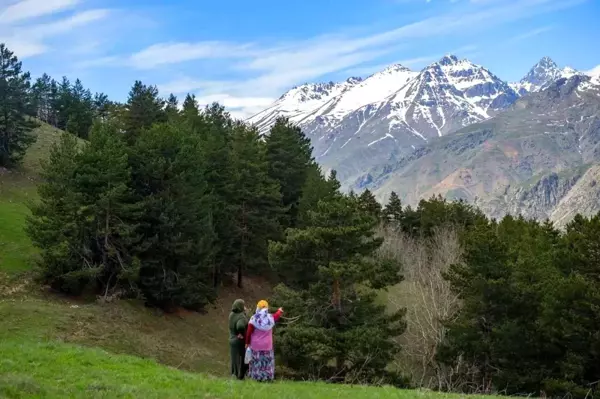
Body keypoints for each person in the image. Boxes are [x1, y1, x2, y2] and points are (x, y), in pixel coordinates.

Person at [245, 300, 283, 382]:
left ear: (258, 308)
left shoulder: (253, 319)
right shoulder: (270, 318)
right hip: (267, 346)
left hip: (256, 346)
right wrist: (280, 310)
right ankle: (268, 378)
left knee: (256, 362)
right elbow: (277, 315)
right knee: (267, 362)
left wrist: (247, 343)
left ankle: (256, 377)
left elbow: (248, 333)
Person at [228, 298, 248, 380]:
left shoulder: (231, 314)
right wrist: (242, 334)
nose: (245, 307)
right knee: (243, 358)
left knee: (234, 359)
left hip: (232, 339)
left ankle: (234, 375)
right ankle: (241, 376)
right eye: (243, 305)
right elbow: (240, 326)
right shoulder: (241, 317)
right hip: (240, 341)